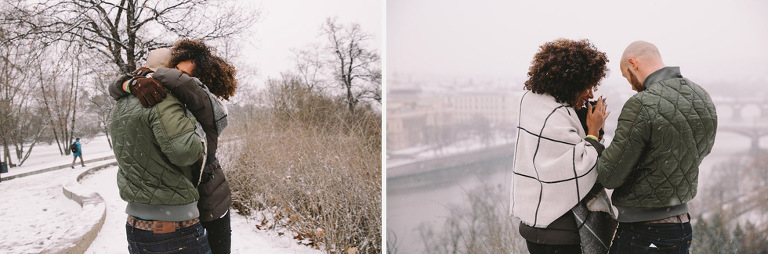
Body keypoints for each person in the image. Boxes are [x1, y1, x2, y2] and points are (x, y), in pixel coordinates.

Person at [110, 39, 237, 254]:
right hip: (176, 222)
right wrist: (130, 82)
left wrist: (134, 80)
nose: (178, 77)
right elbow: (184, 152)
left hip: (207, 205)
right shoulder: (162, 99)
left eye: (183, 74)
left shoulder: (203, 103)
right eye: (176, 69)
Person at [596, 41, 718, 253]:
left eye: (627, 77)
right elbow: (701, 151)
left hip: (643, 232)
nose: (632, 86)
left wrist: (594, 136)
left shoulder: (641, 104)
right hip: (681, 228)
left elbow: (610, 176)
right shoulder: (701, 97)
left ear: (633, 63)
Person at [512, 38, 615, 254]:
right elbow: (582, 167)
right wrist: (594, 131)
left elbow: (564, 150)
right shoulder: (555, 115)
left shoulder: (532, 103)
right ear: (571, 84)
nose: (591, 94)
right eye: (587, 86)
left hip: (535, 226)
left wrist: (584, 122)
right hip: (562, 232)